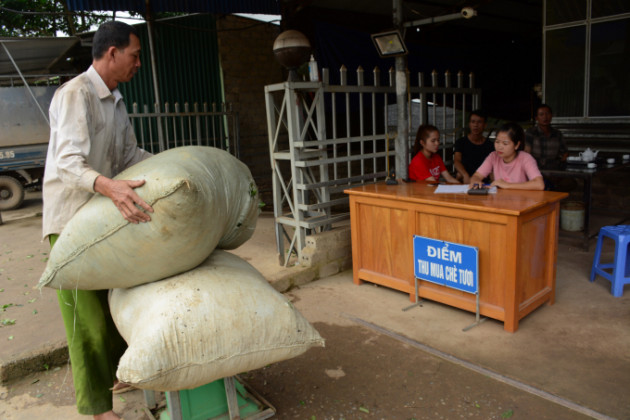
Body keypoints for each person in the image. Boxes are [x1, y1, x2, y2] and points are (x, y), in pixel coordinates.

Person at [42, 21, 154, 420]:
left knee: (113, 303)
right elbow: (68, 164)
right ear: (112, 53)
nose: (138, 63)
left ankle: (120, 374)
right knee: (85, 318)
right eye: (135, 55)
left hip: (98, 216)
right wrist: (111, 187)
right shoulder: (75, 94)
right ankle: (95, 408)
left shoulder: (115, 100)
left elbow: (127, 157)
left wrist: (176, 163)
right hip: (70, 223)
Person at [469, 122, 544, 190]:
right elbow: (477, 176)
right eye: (497, 142)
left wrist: (507, 185)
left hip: (521, 202)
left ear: (516, 145)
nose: (499, 147)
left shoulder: (525, 158)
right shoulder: (493, 156)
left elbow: (539, 184)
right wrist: (476, 181)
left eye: (505, 143)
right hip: (500, 201)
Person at [453, 110, 494, 183]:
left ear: (485, 125)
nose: (475, 125)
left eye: (479, 122)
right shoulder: (461, 142)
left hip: (482, 182)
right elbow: (457, 161)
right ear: (469, 124)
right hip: (465, 179)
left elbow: (492, 167)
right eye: (473, 122)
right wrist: (465, 175)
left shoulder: (490, 145)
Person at [524, 104, 568, 169]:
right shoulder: (531, 132)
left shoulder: (557, 134)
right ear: (536, 118)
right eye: (541, 114)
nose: (545, 117)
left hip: (554, 171)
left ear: (551, 116)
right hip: (535, 170)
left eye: (547, 114)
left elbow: (565, 153)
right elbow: (527, 153)